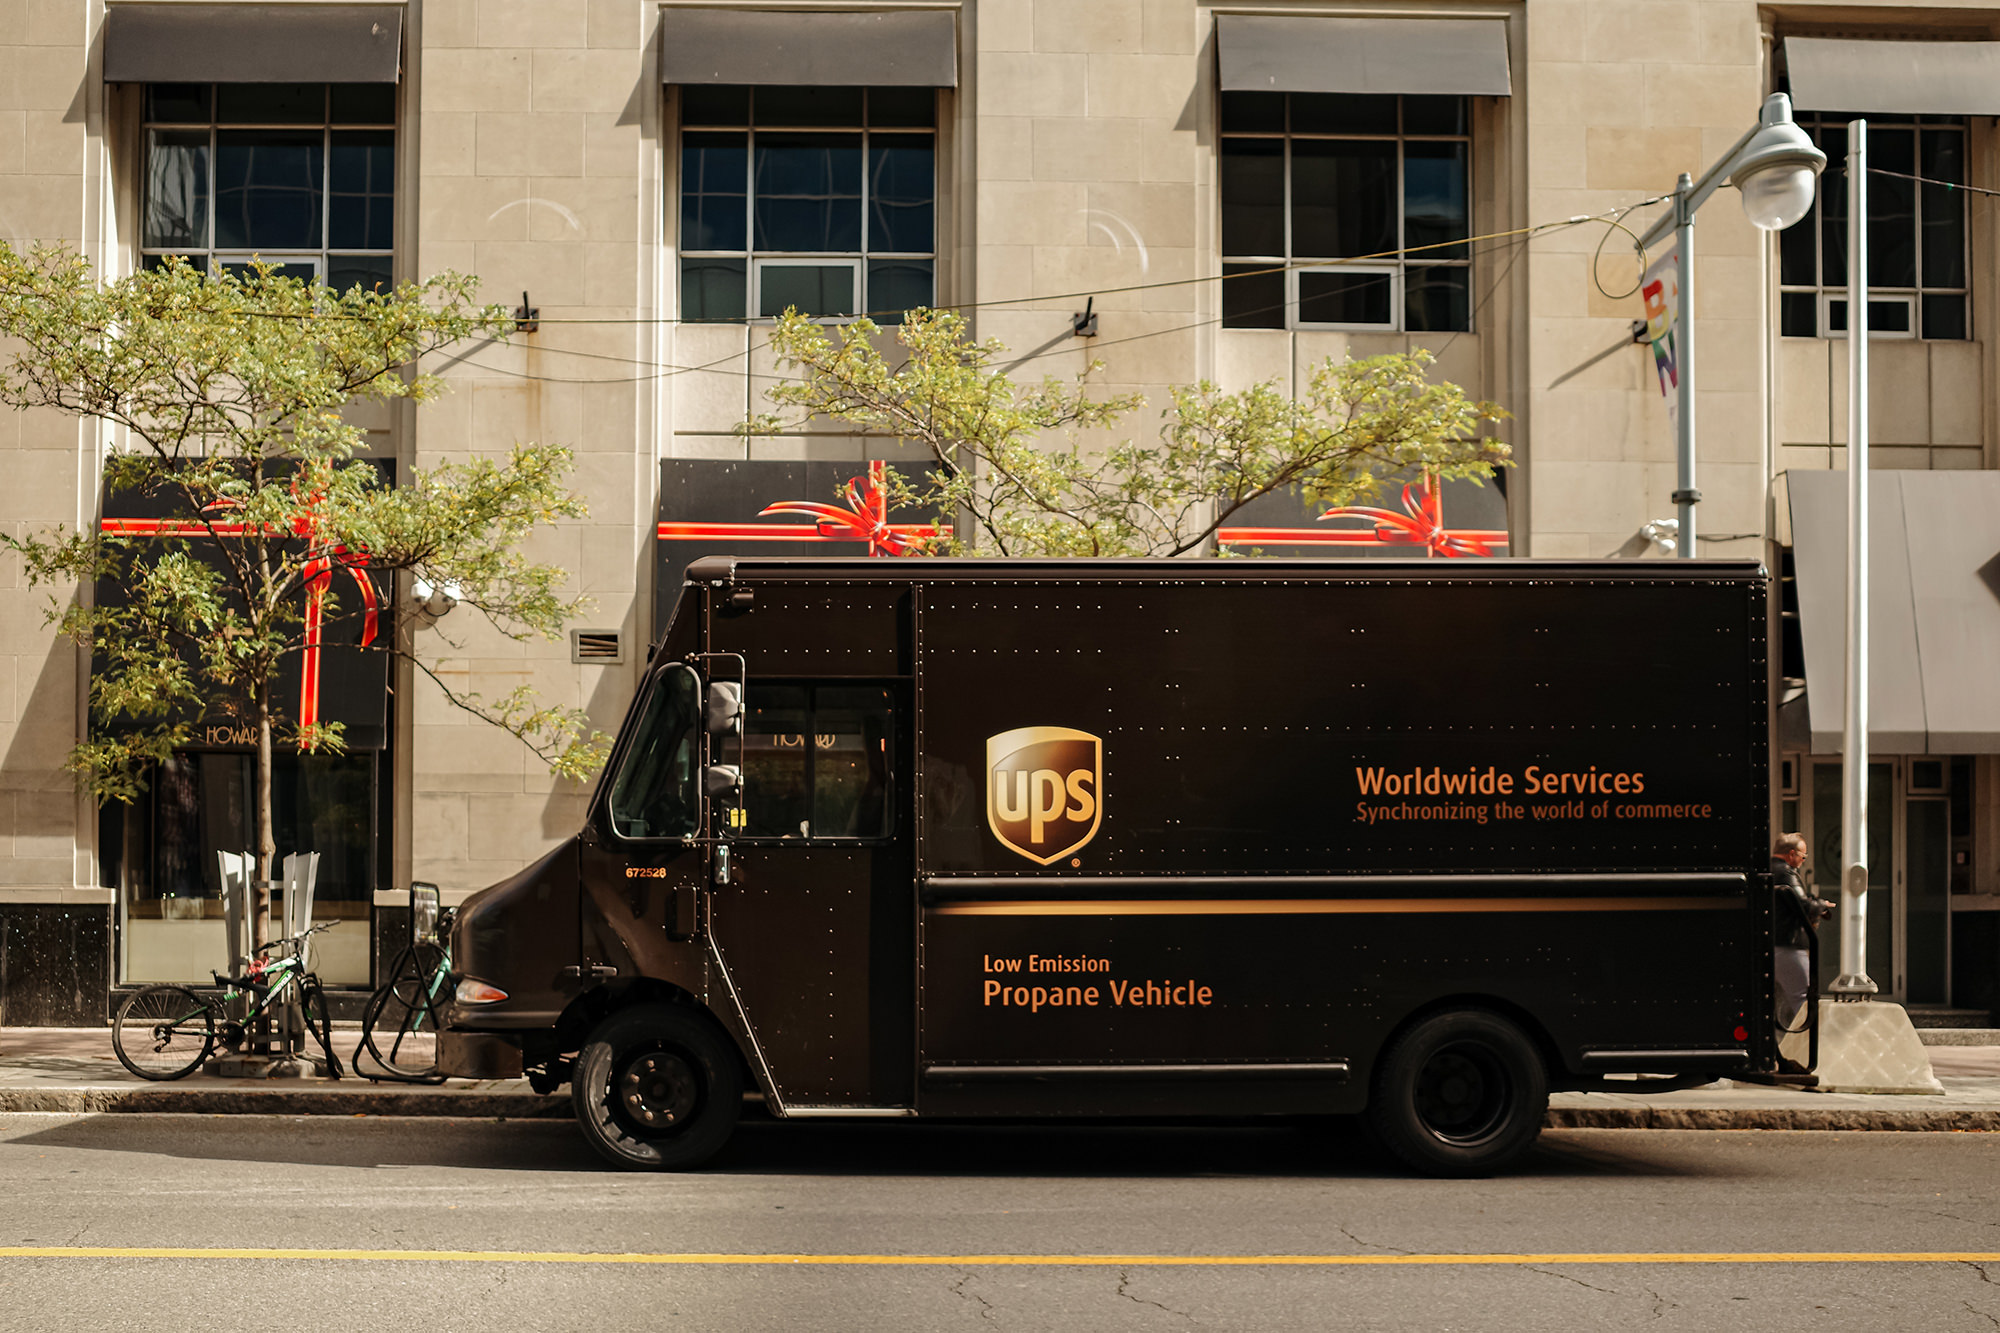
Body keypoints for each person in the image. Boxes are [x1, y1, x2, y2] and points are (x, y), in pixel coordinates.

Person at [1772, 832, 1833, 1037]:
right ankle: (1807, 1046)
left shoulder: (1767, 870)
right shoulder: (1786, 873)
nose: (1803, 861)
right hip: (1788, 945)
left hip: (1772, 944)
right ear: (1791, 854)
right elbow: (1802, 905)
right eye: (1803, 856)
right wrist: (1821, 905)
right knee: (1805, 998)